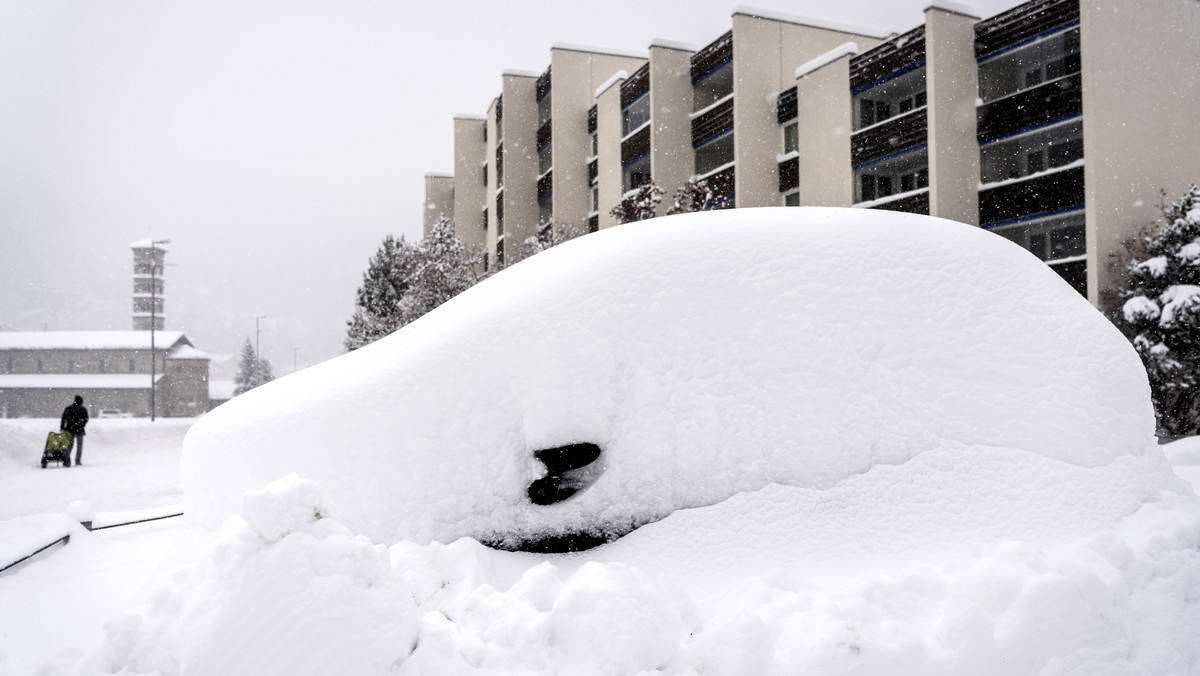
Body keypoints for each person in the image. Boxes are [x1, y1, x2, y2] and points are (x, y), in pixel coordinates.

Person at [60, 394, 89, 466]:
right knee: (79, 445)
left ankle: (66, 459)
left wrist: (62, 427)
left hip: (70, 429)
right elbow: (86, 419)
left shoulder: (68, 408)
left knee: (70, 445)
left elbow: (64, 418)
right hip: (79, 429)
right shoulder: (83, 409)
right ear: (81, 402)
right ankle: (78, 460)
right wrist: (82, 425)